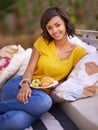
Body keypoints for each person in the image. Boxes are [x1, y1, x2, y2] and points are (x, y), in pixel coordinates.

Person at [0, 6, 86, 130]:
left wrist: (58, 84)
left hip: (39, 98)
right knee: (45, 103)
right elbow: (29, 69)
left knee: (14, 122)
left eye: (58, 25)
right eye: (49, 28)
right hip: (19, 86)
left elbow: (71, 78)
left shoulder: (78, 52)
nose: (55, 31)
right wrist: (24, 84)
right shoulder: (42, 42)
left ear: (66, 23)